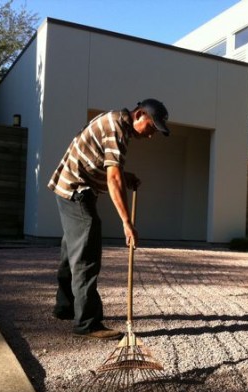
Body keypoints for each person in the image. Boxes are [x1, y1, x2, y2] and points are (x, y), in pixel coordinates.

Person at [47, 98, 170, 339]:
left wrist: (127, 175)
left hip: (67, 187)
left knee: (71, 250)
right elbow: (113, 178)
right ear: (139, 115)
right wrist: (127, 222)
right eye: (151, 127)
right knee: (86, 255)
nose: (151, 135)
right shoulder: (117, 130)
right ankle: (88, 323)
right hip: (77, 190)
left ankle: (65, 307)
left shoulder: (115, 121)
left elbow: (106, 165)